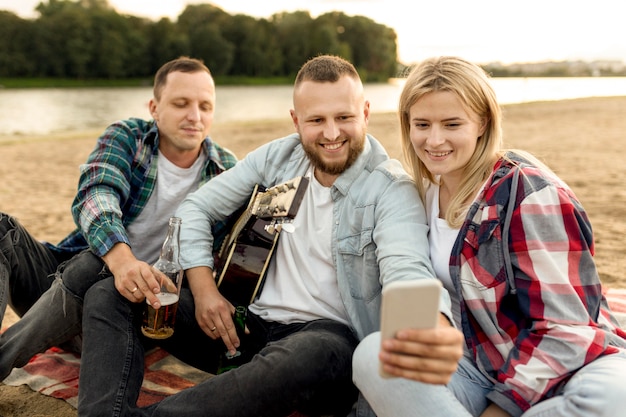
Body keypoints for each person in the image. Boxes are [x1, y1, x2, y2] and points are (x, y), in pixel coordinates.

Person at [75, 54, 455, 417]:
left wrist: (423, 326)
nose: (332, 133)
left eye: (344, 117)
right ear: (295, 120)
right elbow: (196, 208)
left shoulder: (390, 189)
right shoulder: (279, 157)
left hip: (325, 345)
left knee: (309, 354)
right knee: (110, 293)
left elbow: (407, 268)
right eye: (316, 120)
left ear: (366, 113)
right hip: (245, 327)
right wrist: (205, 291)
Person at [352, 56, 626, 417]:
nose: (434, 140)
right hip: (480, 369)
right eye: (422, 124)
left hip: (570, 365)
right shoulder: (420, 196)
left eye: (452, 124)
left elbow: (567, 329)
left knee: (611, 399)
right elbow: (415, 288)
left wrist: (500, 410)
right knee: (374, 356)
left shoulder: (527, 191)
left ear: (482, 122)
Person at [0, 56, 237, 381]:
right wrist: (123, 261)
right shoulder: (129, 136)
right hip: (60, 287)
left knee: (93, 269)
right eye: (181, 104)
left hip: (127, 312)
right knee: (7, 231)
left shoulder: (226, 170)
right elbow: (96, 193)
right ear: (154, 108)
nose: (194, 117)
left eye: (205, 106)